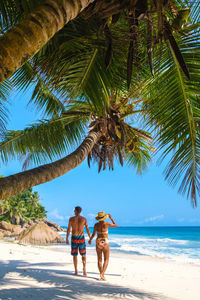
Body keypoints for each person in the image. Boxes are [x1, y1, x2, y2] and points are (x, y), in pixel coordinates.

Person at [88, 211, 117, 280]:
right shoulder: (106, 224)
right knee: (106, 259)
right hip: (105, 241)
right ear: (104, 218)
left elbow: (93, 234)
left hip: (98, 241)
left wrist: (90, 240)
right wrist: (111, 218)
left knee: (99, 259)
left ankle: (101, 273)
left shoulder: (96, 225)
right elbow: (115, 225)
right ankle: (102, 274)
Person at [66, 206, 91, 276]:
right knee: (83, 254)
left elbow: (68, 229)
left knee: (75, 255)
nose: (74, 211)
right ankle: (84, 270)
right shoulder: (84, 219)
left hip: (74, 238)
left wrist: (67, 238)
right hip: (81, 238)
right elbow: (88, 229)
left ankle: (76, 270)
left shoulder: (71, 219)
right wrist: (90, 238)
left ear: (76, 211)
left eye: (74, 210)